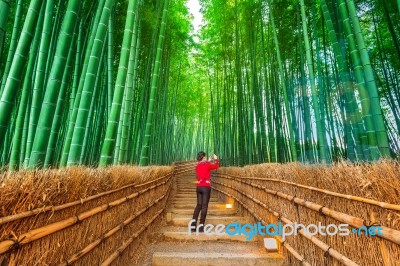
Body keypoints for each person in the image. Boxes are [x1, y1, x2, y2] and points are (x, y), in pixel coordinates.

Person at [191, 151, 219, 232]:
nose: (206, 158)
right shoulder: (207, 164)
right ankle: (201, 227)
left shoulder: (197, 166)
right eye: (205, 157)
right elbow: (216, 166)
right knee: (204, 206)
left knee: (198, 206)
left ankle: (193, 226)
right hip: (206, 187)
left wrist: (208, 161)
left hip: (199, 187)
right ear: (203, 157)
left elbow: (204, 166)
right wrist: (216, 159)